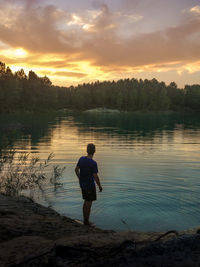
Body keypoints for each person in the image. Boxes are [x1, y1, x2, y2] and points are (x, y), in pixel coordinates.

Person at [75, 143, 103, 226]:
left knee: (85, 202)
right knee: (88, 203)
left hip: (83, 185)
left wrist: (80, 178)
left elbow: (76, 170)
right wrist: (100, 186)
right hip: (90, 186)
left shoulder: (81, 159)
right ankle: (86, 222)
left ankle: (85, 220)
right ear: (94, 151)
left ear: (87, 151)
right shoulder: (93, 163)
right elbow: (95, 176)